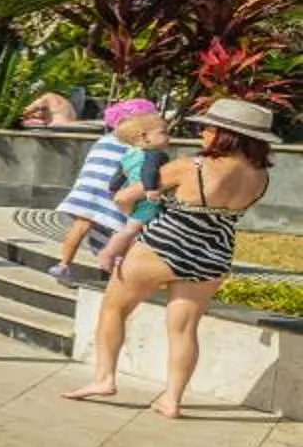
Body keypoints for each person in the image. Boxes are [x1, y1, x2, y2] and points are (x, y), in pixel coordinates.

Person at [67, 98, 278, 418]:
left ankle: (104, 379)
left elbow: (127, 195)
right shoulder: (261, 177)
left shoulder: (191, 166)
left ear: (227, 134)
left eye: (208, 128)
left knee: (114, 308)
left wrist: (129, 212)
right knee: (183, 329)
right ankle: (172, 400)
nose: (201, 133)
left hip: (163, 245)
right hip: (214, 253)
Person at [50, 100, 166, 285]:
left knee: (80, 226)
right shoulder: (136, 148)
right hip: (112, 194)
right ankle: (116, 270)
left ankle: (63, 264)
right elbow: (134, 172)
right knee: (122, 231)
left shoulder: (103, 140)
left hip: (88, 188)